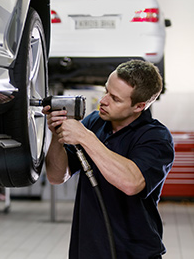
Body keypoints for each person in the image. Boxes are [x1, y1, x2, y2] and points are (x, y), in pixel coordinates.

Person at [42, 60, 175, 259]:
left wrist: (86, 138)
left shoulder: (156, 137)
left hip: (133, 252)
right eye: (106, 91)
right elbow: (56, 176)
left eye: (115, 98)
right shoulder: (94, 122)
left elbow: (132, 183)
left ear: (139, 106)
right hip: (87, 250)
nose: (103, 101)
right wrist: (56, 136)